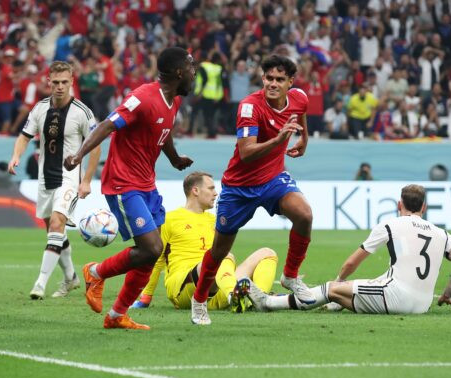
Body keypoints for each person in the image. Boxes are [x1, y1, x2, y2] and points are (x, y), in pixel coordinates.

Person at [63, 47, 196, 330]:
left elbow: (164, 132)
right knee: (151, 247)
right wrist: (78, 155)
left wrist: (174, 159)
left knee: (152, 252)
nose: (195, 73)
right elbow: (108, 125)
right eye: (192, 68)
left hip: (146, 183)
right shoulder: (143, 97)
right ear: (179, 72)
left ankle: (116, 316)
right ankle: (96, 272)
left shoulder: (172, 101)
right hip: (124, 184)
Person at [189, 54, 313, 325]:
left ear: (290, 82)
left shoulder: (300, 97)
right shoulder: (249, 107)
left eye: (280, 80)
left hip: (273, 179)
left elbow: (300, 112)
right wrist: (279, 139)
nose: (273, 84)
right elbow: (246, 153)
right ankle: (199, 302)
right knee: (219, 252)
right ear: (262, 77)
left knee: (304, 214)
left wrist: (304, 137)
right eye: (269, 78)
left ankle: (290, 275)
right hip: (239, 187)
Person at [246, 184, 451, 314]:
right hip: (422, 304)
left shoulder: (390, 225)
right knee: (362, 288)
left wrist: (339, 280)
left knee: (330, 289)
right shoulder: (442, 233)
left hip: (395, 298)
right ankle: (336, 303)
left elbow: (352, 263)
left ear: (399, 205)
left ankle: (269, 303)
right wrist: (447, 293)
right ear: (424, 207)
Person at [7, 61, 100, 300]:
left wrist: (87, 180)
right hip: (44, 176)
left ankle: (40, 283)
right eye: (56, 82)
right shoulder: (39, 109)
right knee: (53, 230)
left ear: (71, 81)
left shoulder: (82, 111)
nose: (60, 87)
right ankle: (71, 278)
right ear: (49, 81)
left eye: (64, 82)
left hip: (69, 177)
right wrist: (16, 156)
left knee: (58, 224)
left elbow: (96, 146)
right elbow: (25, 136)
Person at [130, 172, 278, 312]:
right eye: (211, 188)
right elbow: (156, 258)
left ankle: (259, 300)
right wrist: (146, 297)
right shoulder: (170, 219)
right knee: (223, 256)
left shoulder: (215, 221)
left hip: (215, 288)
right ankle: (234, 294)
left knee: (267, 253)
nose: (215, 193)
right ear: (195, 190)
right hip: (184, 288)